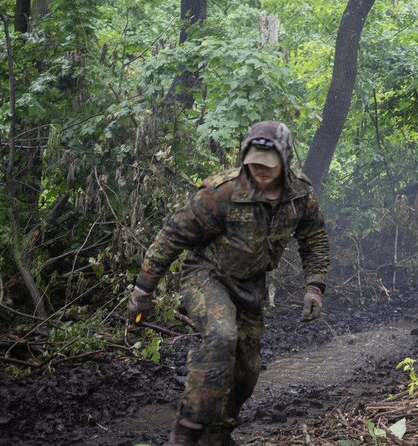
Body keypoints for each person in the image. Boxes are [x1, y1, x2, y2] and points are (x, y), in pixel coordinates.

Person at [126, 121, 330, 445]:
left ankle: (217, 435)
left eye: (268, 165)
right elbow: (172, 235)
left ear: (285, 160)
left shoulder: (301, 195)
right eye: (254, 163)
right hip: (207, 274)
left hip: (251, 285)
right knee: (222, 337)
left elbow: (314, 238)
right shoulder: (223, 192)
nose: (260, 171)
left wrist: (314, 286)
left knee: (247, 372)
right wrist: (142, 289)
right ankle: (186, 430)